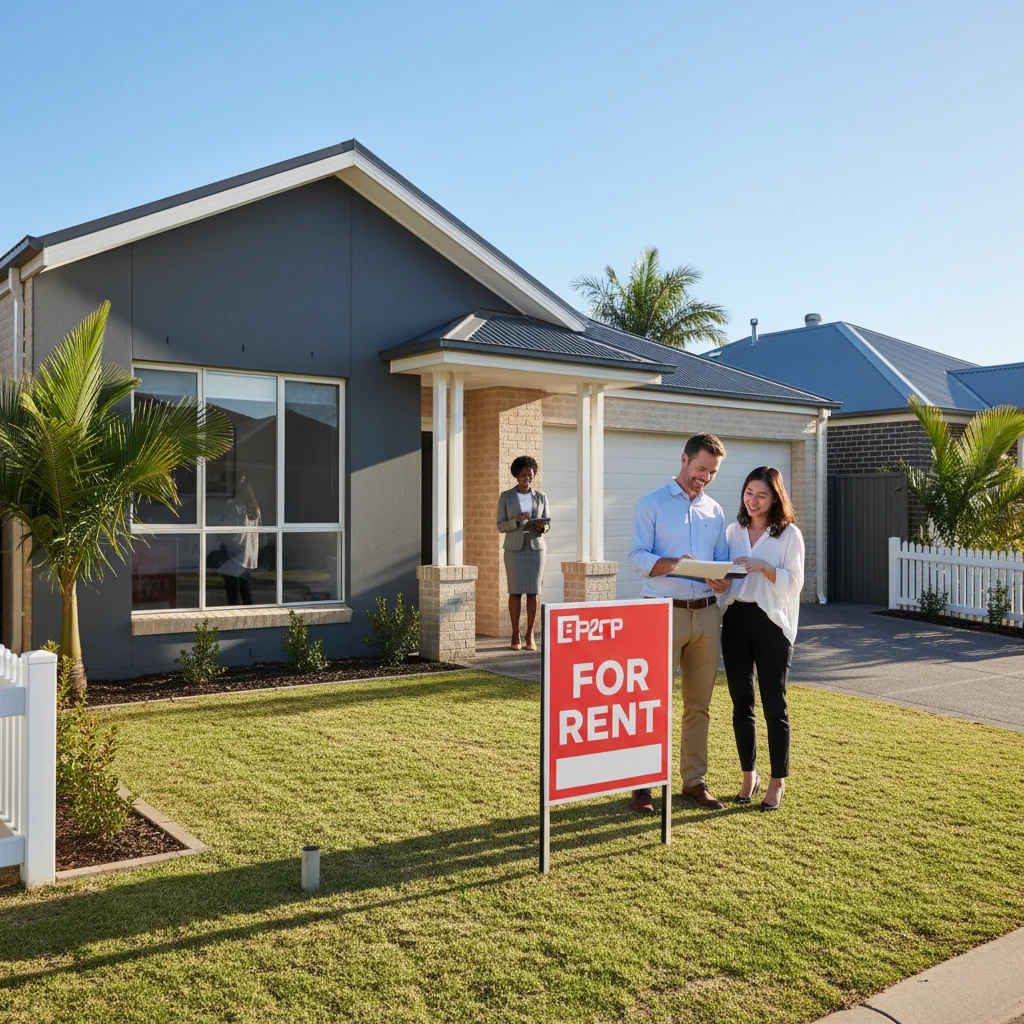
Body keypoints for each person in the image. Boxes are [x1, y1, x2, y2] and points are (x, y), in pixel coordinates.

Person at [627, 432, 730, 813]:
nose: (704, 477)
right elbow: (636, 555)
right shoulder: (651, 502)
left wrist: (722, 579)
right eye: (701, 468)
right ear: (684, 459)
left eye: (713, 472)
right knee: (651, 703)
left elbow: (721, 561)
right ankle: (643, 786)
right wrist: (674, 564)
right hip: (659, 612)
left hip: (706, 614)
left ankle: (694, 781)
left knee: (698, 705)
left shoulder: (715, 511)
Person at [718, 466, 804, 812]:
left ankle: (777, 781)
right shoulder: (731, 531)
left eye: (762, 495)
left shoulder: (788, 535)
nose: (753, 500)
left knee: (774, 705)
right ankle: (748, 775)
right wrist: (719, 582)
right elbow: (725, 577)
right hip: (736, 620)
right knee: (741, 703)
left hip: (772, 624)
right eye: (748, 492)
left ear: (775, 498)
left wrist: (762, 566)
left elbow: (794, 584)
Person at [497, 455, 550, 650]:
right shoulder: (507, 496)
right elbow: (500, 525)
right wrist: (517, 521)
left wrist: (543, 527)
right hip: (514, 548)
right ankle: (515, 634)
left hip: (536, 548)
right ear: (516, 475)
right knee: (515, 592)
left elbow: (547, 522)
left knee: (533, 592)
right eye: (523, 474)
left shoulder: (541, 496)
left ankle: (530, 635)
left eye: (530, 474)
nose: (527, 477)